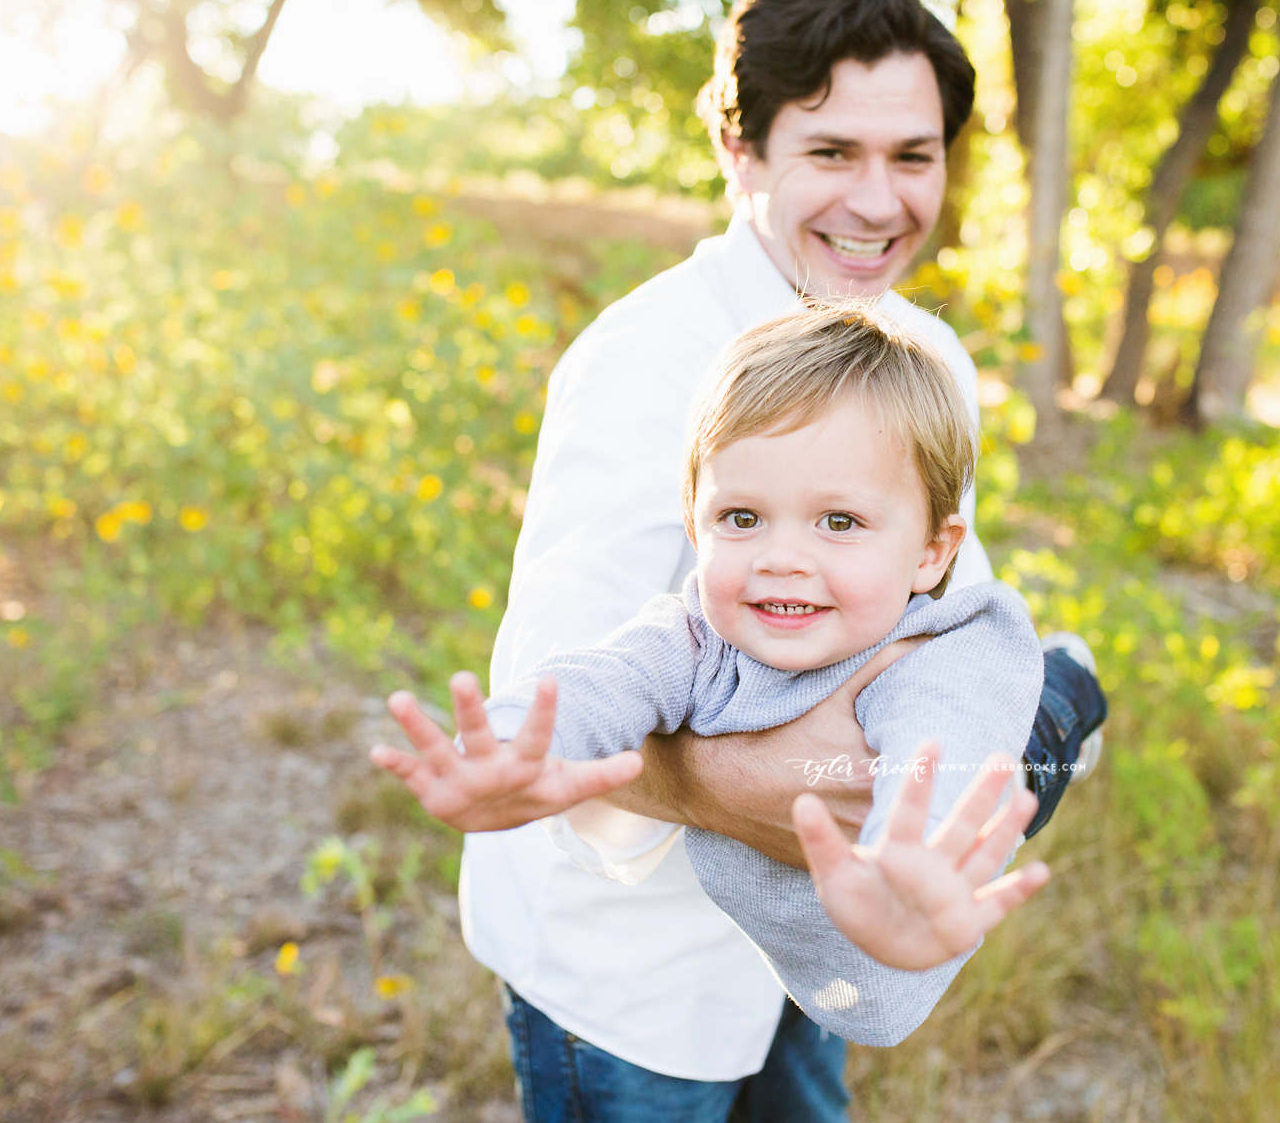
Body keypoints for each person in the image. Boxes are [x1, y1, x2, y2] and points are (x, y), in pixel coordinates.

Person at [440, 0, 1108, 1123]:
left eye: (913, 156)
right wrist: (818, 797)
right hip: (635, 974)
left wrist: (966, 759)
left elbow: (933, 609)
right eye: (831, 152)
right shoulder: (645, 364)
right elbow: (555, 709)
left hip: (808, 933)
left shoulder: (921, 355)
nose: (878, 199)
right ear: (743, 152)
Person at [374, 302, 1052, 1049]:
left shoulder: (945, 652)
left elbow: (939, 747)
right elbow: (606, 679)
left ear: (932, 551)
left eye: (838, 522)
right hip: (703, 984)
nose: (781, 556)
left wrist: (907, 859)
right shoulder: (695, 634)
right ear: (694, 525)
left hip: (1026, 719)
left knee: (1052, 720)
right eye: (741, 517)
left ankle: (1071, 679)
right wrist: (511, 744)